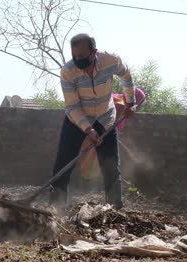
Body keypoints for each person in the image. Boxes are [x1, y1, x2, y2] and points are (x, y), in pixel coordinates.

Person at [49, 33, 138, 210]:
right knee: (63, 166)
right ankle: (54, 211)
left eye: (81, 56)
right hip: (77, 120)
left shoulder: (110, 60)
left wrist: (130, 102)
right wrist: (88, 130)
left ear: (94, 52)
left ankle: (114, 210)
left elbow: (126, 75)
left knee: (111, 167)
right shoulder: (68, 71)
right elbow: (72, 106)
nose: (77, 60)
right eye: (74, 56)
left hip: (106, 118)